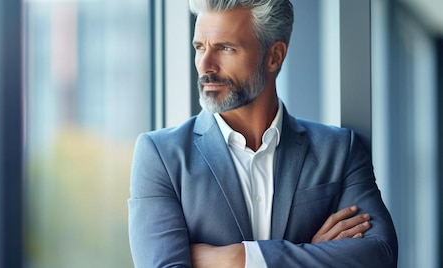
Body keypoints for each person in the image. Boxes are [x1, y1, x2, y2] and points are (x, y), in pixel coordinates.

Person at [127, 0, 398, 267]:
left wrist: (239, 258)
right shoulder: (160, 156)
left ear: (274, 56)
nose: (205, 65)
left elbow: (379, 255)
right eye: (200, 47)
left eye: (225, 48)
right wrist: (311, 253)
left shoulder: (339, 150)